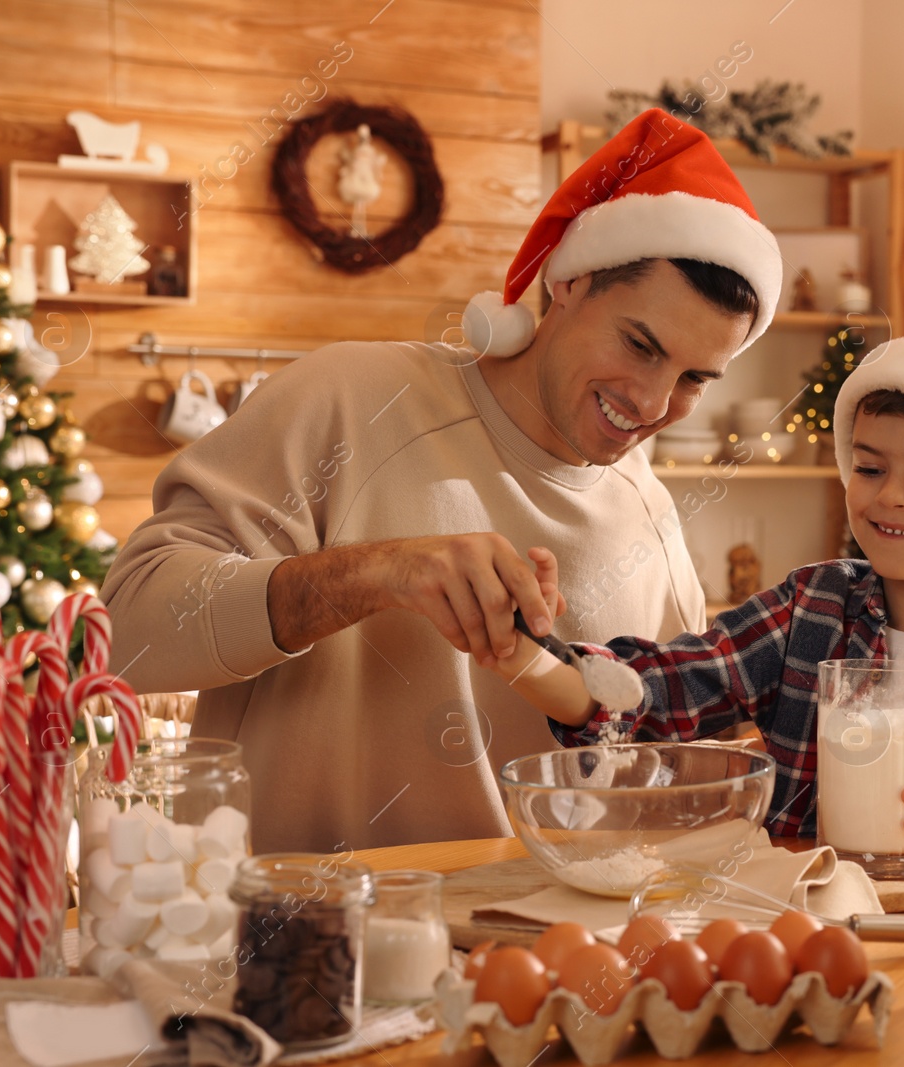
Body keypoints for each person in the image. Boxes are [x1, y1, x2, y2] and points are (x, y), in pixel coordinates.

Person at [101, 109, 783, 853]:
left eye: (694, 379)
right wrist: (377, 573)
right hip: (284, 950)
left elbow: (672, 766)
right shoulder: (351, 396)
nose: (653, 404)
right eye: (640, 344)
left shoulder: (646, 509)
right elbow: (126, 632)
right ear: (571, 281)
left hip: (533, 957)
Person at [483, 314, 904, 861]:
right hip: (824, 925)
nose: (891, 495)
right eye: (869, 468)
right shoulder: (813, 610)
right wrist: (528, 654)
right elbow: (656, 693)